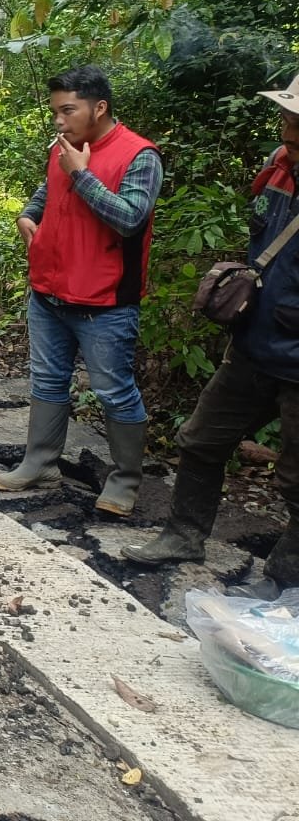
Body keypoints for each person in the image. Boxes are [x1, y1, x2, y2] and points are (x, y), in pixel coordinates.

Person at [123, 73, 299, 588]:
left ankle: (286, 577)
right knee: (200, 440)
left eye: (295, 118)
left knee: (296, 482)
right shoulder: (277, 169)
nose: (286, 124)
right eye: (287, 115)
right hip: (253, 345)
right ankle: (183, 534)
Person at [0, 66, 163, 516]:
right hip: (49, 290)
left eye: (68, 110)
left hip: (104, 301)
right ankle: (39, 463)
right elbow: (50, 188)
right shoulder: (65, 149)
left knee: (114, 391)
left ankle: (125, 480)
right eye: (55, 112)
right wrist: (29, 214)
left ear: (99, 107)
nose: (59, 121)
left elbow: (130, 218)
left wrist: (84, 175)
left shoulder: (140, 155)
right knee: (47, 380)